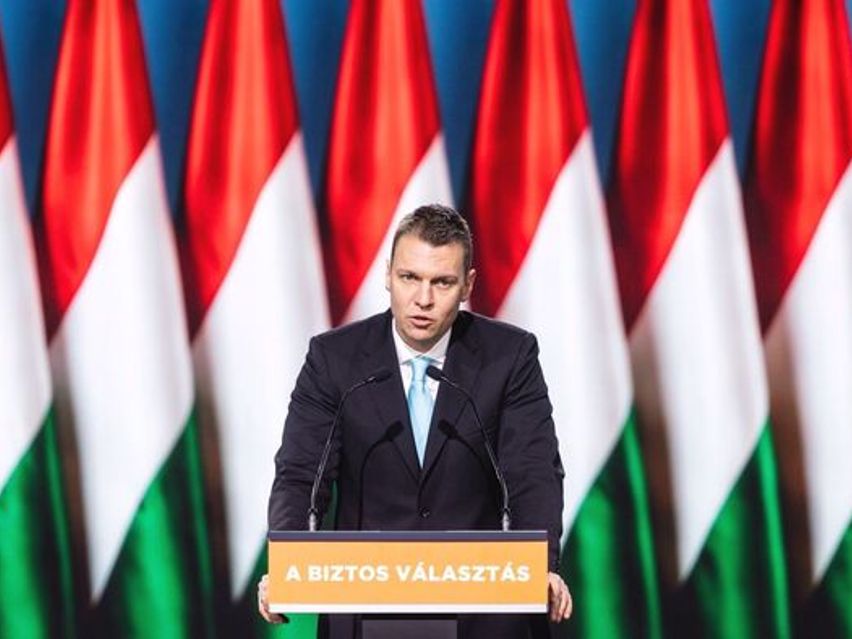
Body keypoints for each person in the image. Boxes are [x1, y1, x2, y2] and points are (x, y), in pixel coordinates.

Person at [259, 204, 572, 637]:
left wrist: (541, 564)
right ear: (388, 275)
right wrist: (288, 564)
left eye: (442, 282)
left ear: (467, 285)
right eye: (410, 277)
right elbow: (300, 473)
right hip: (367, 608)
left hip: (483, 613)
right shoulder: (334, 360)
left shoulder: (509, 357)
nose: (423, 299)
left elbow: (533, 472)